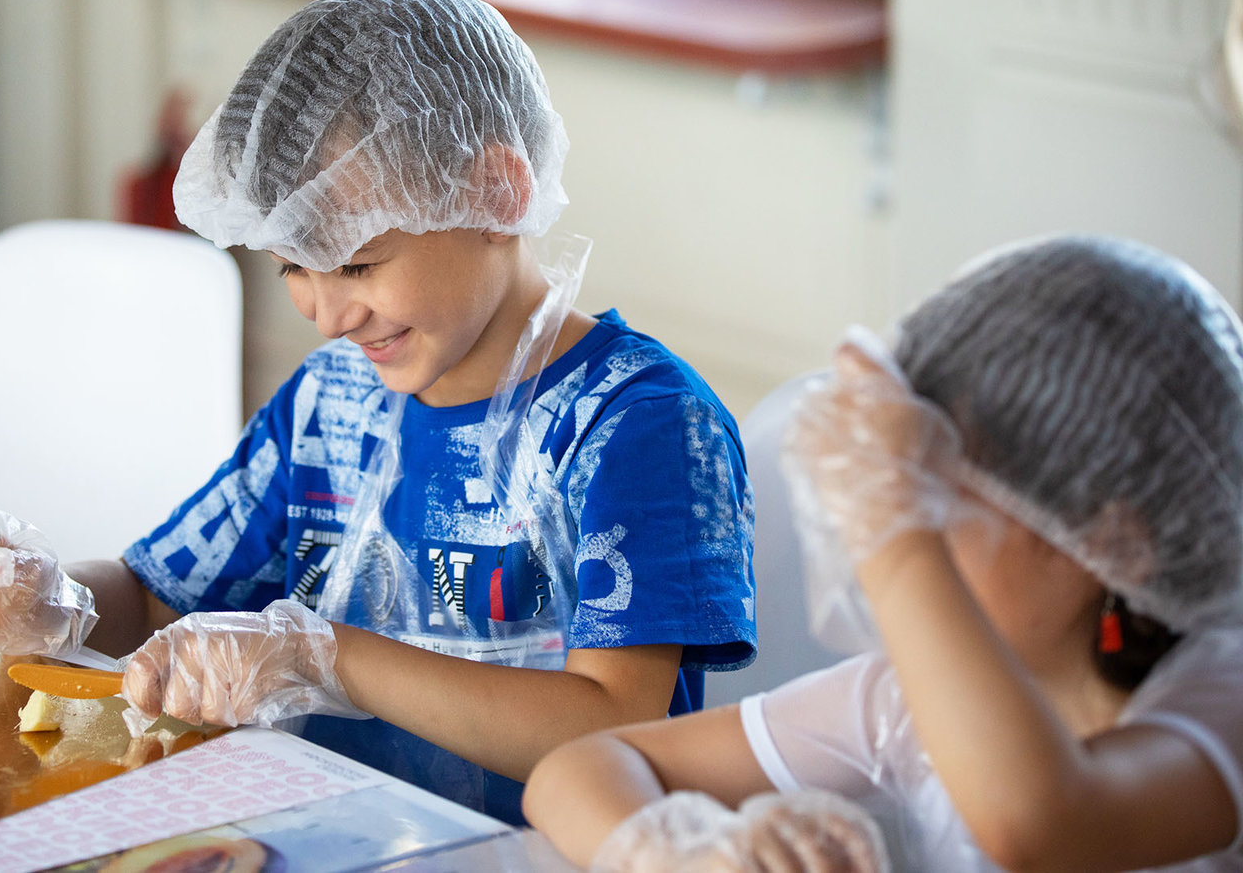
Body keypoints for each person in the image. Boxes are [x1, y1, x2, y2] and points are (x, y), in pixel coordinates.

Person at [0, 0, 756, 823]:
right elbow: (154, 596)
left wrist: (327, 658)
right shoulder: (334, 402)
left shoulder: (633, 422)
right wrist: (42, 600)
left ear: (498, 193)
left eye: (359, 264)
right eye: (293, 265)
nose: (327, 315)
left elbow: (615, 729)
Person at [524, 234, 1243, 871]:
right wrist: (684, 847)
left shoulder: (1219, 701)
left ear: (1114, 545)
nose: (905, 551)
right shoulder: (902, 701)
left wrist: (898, 536)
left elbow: (1040, 822)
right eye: (910, 513)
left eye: (940, 513)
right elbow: (580, 767)